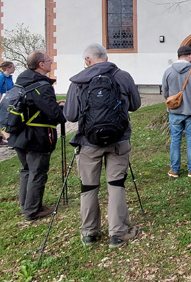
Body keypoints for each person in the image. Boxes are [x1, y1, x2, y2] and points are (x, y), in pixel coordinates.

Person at [64, 43, 141, 248]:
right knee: (116, 185)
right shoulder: (122, 76)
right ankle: (118, 233)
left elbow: (70, 115)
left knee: (89, 187)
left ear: (87, 60)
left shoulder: (78, 81)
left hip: (88, 143)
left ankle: (89, 232)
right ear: (106, 58)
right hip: (119, 140)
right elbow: (135, 105)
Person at [7, 50, 66, 221]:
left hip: (18, 133)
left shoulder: (22, 82)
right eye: (49, 60)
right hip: (36, 136)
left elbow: (32, 104)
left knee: (26, 170)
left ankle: (26, 204)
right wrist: (61, 110)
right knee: (37, 171)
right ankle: (33, 210)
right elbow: (55, 115)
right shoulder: (42, 86)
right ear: (41, 65)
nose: (51, 62)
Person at [161, 45, 191, 178]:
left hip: (174, 111)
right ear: (190, 56)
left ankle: (174, 169)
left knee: (175, 139)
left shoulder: (168, 72)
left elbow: (165, 92)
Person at [0, 61, 16, 145]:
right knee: (3, 120)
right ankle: (10, 141)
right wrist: (2, 102)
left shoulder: (9, 78)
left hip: (6, 101)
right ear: (7, 69)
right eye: (12, 67)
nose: (14, 68)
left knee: (0, 120)